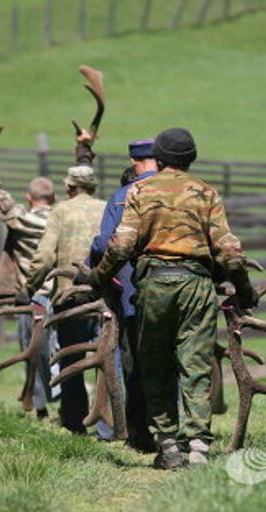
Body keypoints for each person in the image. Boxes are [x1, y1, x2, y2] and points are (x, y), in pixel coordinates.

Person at [80, 128, 259, 469]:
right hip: (196, 286)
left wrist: (97, 279)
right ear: (191, 159)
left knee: (155, 364)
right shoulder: (206, 193)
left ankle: (167, 446)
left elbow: (121, 245)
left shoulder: (140, 190)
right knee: (195, 365)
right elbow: (230, 251)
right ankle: (198, 447)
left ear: (158, 158)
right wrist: (245, 291)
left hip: (154, 287)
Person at [22, 128, 107, 435]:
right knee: (106, 359)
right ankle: (108, 426)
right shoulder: (107, 208)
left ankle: (74, 420)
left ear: (69, 187)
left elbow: (44, 257)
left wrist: (29, 287)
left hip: (69, 297)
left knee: (72, 358)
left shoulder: (60, 211)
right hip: (103, 295)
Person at [0, 134, 58, 418]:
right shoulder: (64, 218)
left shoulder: (23, 220)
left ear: (29, 198)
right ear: (54, 197)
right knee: (58, 351)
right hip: (61, 297)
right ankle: (63, 403)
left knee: (30, 351)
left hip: (31, 298)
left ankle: (39, 406)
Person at [88, 139, 159, 452]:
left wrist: (95, 264)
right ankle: (182, 430)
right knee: (177, 360)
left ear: (134, 161)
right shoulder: (188, 189)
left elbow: (106, 245)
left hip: (135, 293)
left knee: (136, 364)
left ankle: (140, 433)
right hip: (185, 292)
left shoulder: (122, 197)